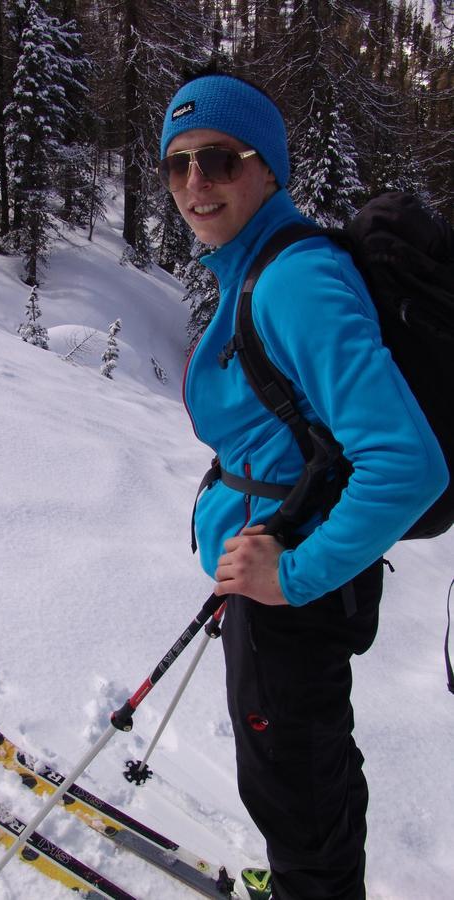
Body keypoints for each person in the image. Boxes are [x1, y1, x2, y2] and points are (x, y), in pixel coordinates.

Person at [158, 71, 449, 900]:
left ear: (268, 168)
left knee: (294, 773)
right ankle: (307, 878)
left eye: (217, 159)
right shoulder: (258, 262)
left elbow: (407, 462)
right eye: (175, 166)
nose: (194, 185)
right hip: (286, 557)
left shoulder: (292, 280)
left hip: (300, 577)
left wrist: (289, 577)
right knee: (301, 761)